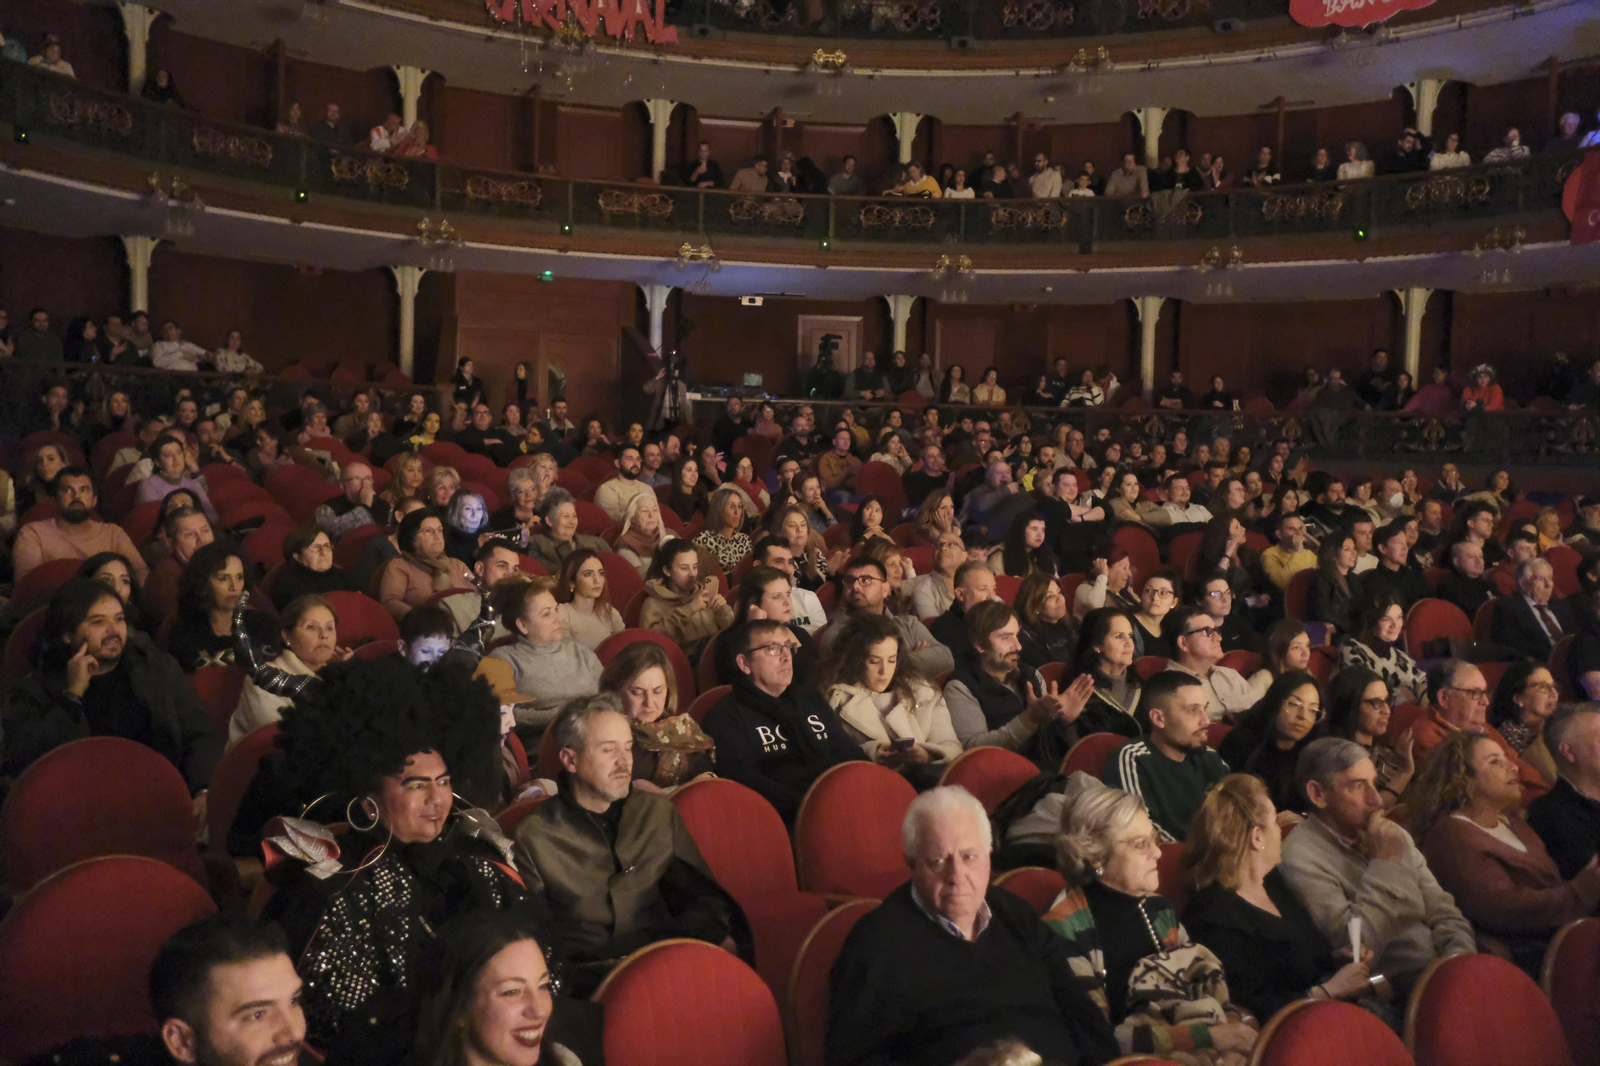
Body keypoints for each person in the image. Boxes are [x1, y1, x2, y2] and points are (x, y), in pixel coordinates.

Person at [255, 657, 524, 1060]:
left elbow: (540, 971)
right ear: (368, 799)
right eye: (417, 785)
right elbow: (335, 1026)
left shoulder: (480, 863)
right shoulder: (331, 891)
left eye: (444, 782)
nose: (437, 800)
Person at [827, 786, 1119, 1066]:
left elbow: (1081, 1014)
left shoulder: (1014, 914)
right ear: (912, 864)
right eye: (938, 861)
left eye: (969, 857)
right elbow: (856, 1059)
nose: (957, 875)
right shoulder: (876, 944)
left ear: (989, 857)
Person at [512, 696, 750, 995]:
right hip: (583, 985)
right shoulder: (535, 836)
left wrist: (669, 951)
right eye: (609, 750)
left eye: (628, 748)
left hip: (662, 964)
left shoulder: (656, 813)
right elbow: (537, 941)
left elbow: (702, 900)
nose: (624, 762)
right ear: (570, 760)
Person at [1044, 781, 1261, 1061]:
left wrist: (1230, 1020)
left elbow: (1194, 986)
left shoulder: (1158, 909)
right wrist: (1208, 1037)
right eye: (1140, 844)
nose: (1157, 853)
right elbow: (1096, 1040)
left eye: (1154, 839)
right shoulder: (1063, 928)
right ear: (1096, 854)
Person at [1277, 736, 1474, 1000]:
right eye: (1358, 786)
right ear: (1318, 794)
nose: (1376, 801)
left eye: (1374, 783)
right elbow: (1355, 945)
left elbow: (1444, 912)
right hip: (1387, 988)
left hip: (1440, 973)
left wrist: (1459, 961)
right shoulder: (1299, 856)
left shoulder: (1392, 834)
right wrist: (1385, 866)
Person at [2, 578, 219, 807]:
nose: (113, 630)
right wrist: (72, 695)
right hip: (78, 808)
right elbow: (22, 761)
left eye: (119, 619)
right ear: (67, 635)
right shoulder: (36, 689)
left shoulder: (155, 667)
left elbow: (199, 732)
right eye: (97, 622)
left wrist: (203, 790)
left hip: (156, 797)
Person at [702, 619, 867, 824]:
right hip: (783, 819)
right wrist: (813, 807)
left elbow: (846, 751)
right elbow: (745, 783)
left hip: (841, 802)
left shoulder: (809, 698)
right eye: (772, 649)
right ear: (745, 664)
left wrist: (864, 784)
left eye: (788, 647)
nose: (786, 657)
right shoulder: (725, 717)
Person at [413, 910, 602, 1066]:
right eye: (512, 992)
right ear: (460, 1009)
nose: (539, 1010)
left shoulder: (564, 1060)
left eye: (543, 986)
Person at [821, 614, 962, 788]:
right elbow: (830, 759)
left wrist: (926, 755)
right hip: (870, 790)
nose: (884, 671)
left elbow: (952, 747)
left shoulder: (923, 691)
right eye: (874, 662)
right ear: (855, 660)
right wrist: (874, 753)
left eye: (891, 660)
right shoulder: (834, 700)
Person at [1104, 670, 1229, 842]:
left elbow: (1237, 812)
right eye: (1192, 710)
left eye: (1204, 709)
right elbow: (1147, 836)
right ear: (1158, 718)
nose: (1206, 720)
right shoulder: (1134, 759)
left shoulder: (1209, 756)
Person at [487, 578, 603, 736]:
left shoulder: (581, 653)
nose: (558, 619)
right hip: (541, 747)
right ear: (523, 625)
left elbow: (609, 697)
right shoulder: (504, 660)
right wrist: (563, 715)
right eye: (547, 614)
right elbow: (500, 713)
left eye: (556, 610)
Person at [230, 595, 351, 745]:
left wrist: (351, 677)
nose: (324, 635)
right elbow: (283, 742)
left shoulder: (338, 676)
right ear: (287, 636)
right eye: (311, 627)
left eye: (330, 628)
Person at [600, 641, 716, 791]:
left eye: (658, 691)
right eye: (637, 692)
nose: (649, 703)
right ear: (615, 690)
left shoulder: (681, 728)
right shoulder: (602, 734)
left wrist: (707, 778)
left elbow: (706, 769)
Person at [821, 556, 953, 677]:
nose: (855, 586)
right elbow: (864, 675)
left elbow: (946, 658)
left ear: (885, 590)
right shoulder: (836, 632)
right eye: (849, 581)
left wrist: (891, 663)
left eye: (865, 580)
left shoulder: (908, 623)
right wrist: (915, 658)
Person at [13, 467, 149, 583]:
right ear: (55, 499)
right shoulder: (33, 533)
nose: (76, 497)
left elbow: (140, 572)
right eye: (67, 490)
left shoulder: (113, 533)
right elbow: (28, 585)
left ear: (94, 500)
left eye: (83, 490)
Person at [1218, 670, 1326, 815]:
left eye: (1313, 710)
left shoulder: (1314, 756)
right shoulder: (1240, 742)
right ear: (1275, 701)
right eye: (1294, 704)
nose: (1303, 716)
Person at [166, 543, 275, 674]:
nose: (234, 587)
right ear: (202, 586)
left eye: (239, 577)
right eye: (223, 578)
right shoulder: (185, 635)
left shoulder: (263, 624)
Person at [639, 539, 734, 661]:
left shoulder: (702, 594)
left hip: (717, 658)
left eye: (695, 567)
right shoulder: (653, 604)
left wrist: (722, 610)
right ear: (667, 571)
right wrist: (690, 609)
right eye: (684, 568)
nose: (692, 574)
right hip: (683, 665)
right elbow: (652, 643)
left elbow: (731, 631)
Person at [374, 508, 474, 620]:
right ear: (412, 538)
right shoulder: (400, 565)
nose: (437, 536)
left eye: (440, 530)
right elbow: (390, 603)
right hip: (425, 631)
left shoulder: (457, 565)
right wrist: (422, 619)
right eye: (428, 531)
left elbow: (479, 594)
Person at [1163, 605, 1254, 722]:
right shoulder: (1168, 686)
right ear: (1183, 643)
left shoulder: (1230, 675)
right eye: (1208, 632)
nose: (1219, 638)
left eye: (1216, 630)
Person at [1338, 591, 1427, 703]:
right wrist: (1405, 695)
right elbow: (1366, 693)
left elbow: (1423, 681)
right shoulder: (1353, 650)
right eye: (1386, 619)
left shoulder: (1401, 656)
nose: (1395, 625)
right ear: (1371, 621)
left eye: (1399, 617)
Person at [1487, 661, 1561, 785]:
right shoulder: (1510, 735)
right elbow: (1550, 779)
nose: (1553, 694)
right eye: (1543, 687)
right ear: (1518, 698)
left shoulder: (1557, 727)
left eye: (1554, 687)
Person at [1492, 557, 1574, 661]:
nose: (1548, 585)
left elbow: (1576, 636)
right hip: (1541, 664)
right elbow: (1515, 649)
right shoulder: (1508, 608)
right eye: (1540, 579)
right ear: (1523, 583)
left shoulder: (1560, 604)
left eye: (1550, 578)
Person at [527, 489, 608, 576]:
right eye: (566, 517)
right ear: (549, 521)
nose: (572, 522)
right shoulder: (538, 544)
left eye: (574, 516)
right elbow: (558, 574)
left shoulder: (596, 542)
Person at [1306, 532, 1362, 635]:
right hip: (1335, 633)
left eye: (1354, 548)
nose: (1354, 553)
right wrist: (1351, 627)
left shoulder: (1354, 578)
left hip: (1354, 631)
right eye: (1347, 549)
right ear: (1332, 554)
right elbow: (1321, 611)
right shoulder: (1321, 577)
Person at [1260, 513, 1318, 591]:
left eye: (1300, 529)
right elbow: (1283, 583)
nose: (1298, 533)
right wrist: (1298, 552)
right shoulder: (1269, 554)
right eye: (1292, 529)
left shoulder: (1308, 553)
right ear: (1279, 534)